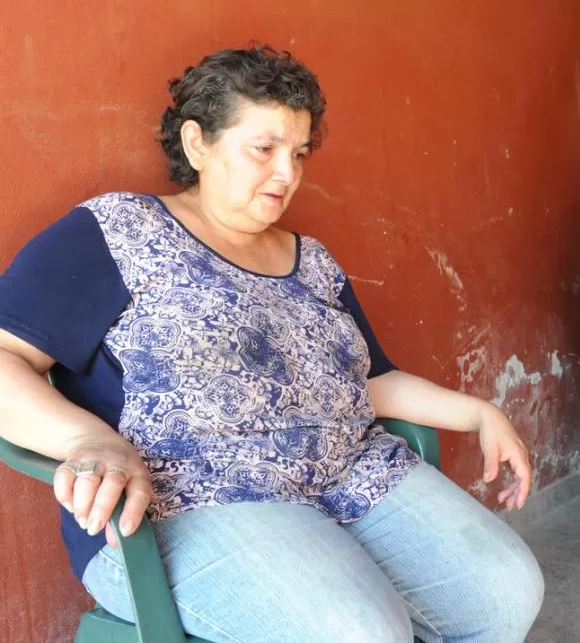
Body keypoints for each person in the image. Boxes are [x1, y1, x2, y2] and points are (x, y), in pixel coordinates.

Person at [0, 45, 543, 642]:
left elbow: (368, 383)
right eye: (264, 149)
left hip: (347, 477)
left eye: (299, 153)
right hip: (192, 499)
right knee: (357, 633)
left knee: (505, 595)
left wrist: (481, 412)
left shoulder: (312, 263)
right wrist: (83, 438)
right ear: (197, 143)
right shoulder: (116, 232)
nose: (288, 174)